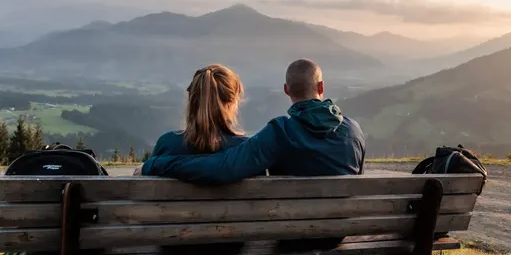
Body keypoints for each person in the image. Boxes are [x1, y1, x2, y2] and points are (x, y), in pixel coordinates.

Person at [141, 58, 365, 183]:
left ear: (286, 90)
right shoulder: (354, 131)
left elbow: (223, 168)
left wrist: (156, 163)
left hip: (291, 232)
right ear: (321, 87)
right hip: (338, 232)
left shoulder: (280, 132)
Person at [146, 63, 246, 255]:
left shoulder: (167, 144)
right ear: (232, 102)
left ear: (191, 101)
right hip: (232, 241)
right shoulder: (245, 149)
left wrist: (152, 164)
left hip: (172, 242)